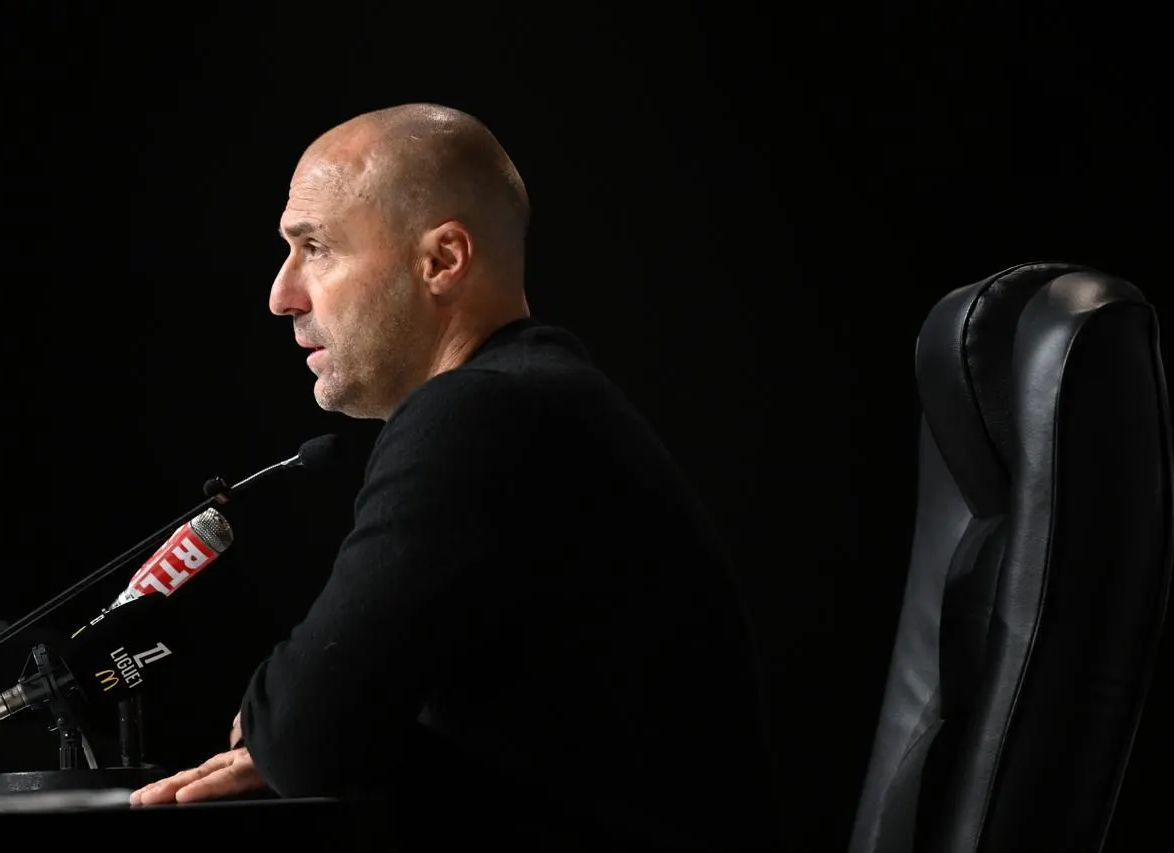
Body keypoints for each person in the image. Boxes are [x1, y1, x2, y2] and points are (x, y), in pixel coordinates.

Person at [129, 103, 776, 850]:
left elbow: (303, 733)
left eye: (317, 248)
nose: (282, 295)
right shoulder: (541, 397)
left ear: (442, 260)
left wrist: (292, 729)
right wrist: (312, 732)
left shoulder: (481, 413)